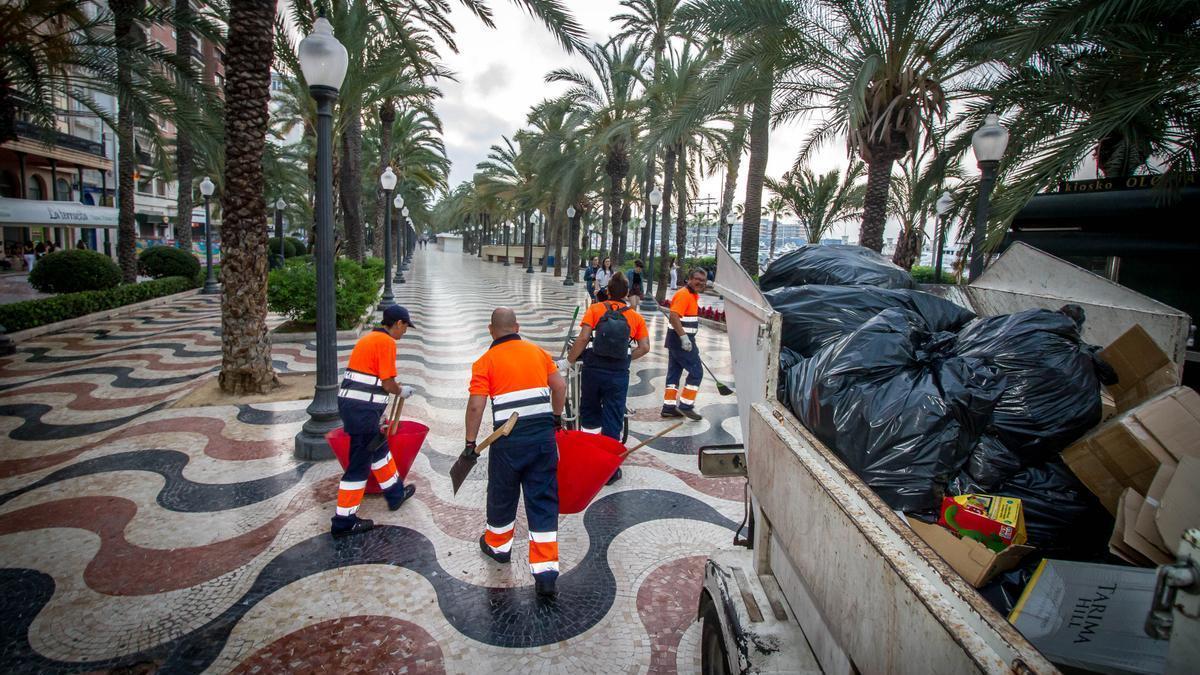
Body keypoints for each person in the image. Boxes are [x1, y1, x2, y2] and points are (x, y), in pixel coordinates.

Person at [466, 307, 567, 598]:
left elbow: (476, 405)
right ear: (517, 326)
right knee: (543, 499)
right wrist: (556, 418)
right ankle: (546, 572)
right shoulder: (537, 352)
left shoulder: (485, 361)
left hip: (507, 442)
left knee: (502, 494)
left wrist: (470, 444)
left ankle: (498, 547)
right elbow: (559, 386)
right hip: (542, 440)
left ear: (490, 330)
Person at [331, 304, 418, 537]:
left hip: (355, 405)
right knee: (359, 463)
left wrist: (379, 412)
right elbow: (387, 382)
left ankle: (395, 493)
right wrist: (401, 391)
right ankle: (343, 521)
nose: (405, 332)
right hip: (361, 410)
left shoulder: (369, 339)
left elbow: (371, 378)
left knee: (379, 448)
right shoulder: (386, 342)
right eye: (405, 327)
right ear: (398, 323)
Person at [566, 271, 650, 484]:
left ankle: (589, 459)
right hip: (618, 374)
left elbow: (584, 338)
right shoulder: (635, 317)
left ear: (608, 290)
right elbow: (645, 347)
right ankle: (610, 470)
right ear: (627, 292)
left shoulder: (595, 309)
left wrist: (569, 360)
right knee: (613, 417)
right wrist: (627, 356)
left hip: (593, 370)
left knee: (590, 414)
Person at [661, 268, 707, 421]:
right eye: (697, 279)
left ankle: (668, 408)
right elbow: (674, 316)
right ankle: (686, 406)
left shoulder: (692, 295)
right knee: (697, 373)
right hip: (681, 341)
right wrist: (684, 337)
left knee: (674, 374)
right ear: (689, 279)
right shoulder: (684, 294)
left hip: (676, 341)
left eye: (703, 280)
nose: (700, 282)